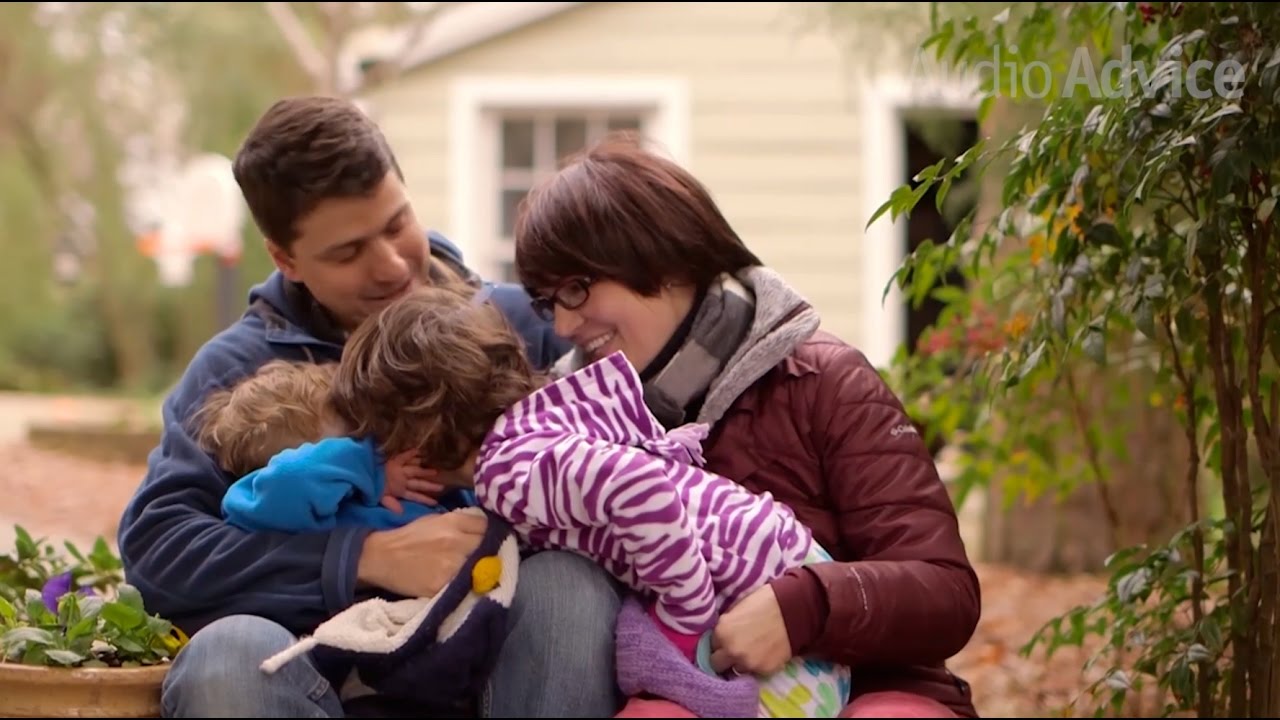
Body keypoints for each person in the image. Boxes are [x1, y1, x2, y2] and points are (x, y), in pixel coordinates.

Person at [115, 95, 625, 719]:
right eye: (347, 252)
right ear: (284, 258)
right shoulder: (235, 369)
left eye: (396, 224)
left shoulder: (527, 325)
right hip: (322, 680)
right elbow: (160, 552)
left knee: (571, 589)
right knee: (226, 656)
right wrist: (363, 557)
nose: (390, 266)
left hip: (491, 670)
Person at [510, 134, 983, 719]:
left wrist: (804, 607)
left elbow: (946, 591)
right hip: (693, 694)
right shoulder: (563, 434)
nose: (562, 324)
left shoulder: (823, 380)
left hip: (876, 691)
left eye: (577, 288)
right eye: (547, 302)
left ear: (662, 256)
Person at [319, 282, 852, 718]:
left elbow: (637, 486)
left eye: (380, 446)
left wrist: (682, 615)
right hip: (780, 559)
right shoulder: (539, 422)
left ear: (415, 436)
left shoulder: (506, 472)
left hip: (767, 610)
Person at [189, 358, 474, 531]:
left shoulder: (372, 489)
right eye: (354, 443)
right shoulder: (270, 503)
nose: (373, 448)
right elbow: (292, 476)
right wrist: (374, 474)